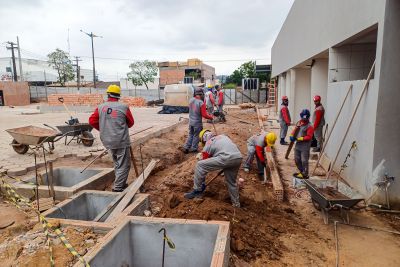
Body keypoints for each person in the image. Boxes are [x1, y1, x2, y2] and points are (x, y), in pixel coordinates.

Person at [89, 85, 134, 192]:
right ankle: (118, 188)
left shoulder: (100, 107)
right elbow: (131, 123)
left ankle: (121, 183)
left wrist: (105, 129)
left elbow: (92, 121)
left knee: (117, 162)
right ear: (118, 96)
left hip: (107, 140)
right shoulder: (123, 107)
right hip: (121, 140)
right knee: (124, 164)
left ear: (108, 94)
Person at [184, 129, 242, 207]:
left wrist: (201, 183)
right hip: (238, 157)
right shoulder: (223, 136)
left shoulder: (209, 142)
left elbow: (204, 165)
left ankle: (197, 191)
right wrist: (227, 163)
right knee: (232, 183)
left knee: (200, 165)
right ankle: (236, 204)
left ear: (203, 139)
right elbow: (233, 147)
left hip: (226, 158)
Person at [182, 88, 214, 154]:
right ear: (200, 94)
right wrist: (210, 117)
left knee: (191, 134)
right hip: (197, 123)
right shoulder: (201, 103)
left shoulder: (191, 100)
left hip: (191, 122)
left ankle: (186, 147)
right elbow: (204, 115)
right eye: (202, 94)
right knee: (196, 135)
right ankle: (194, 148)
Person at [289, 109, 314, 179]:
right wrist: (291, 135)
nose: (304, 120)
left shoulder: (310, 126)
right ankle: (301, 171)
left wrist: (301, 138)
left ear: (308, 117)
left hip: (305, 145)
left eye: (305, 118)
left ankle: (305, 174)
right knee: (297, 159)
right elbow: (295, 130)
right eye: (303, 118)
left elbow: (309, 136)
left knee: (304, 160)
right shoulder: (299, 123)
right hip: (298, 144)